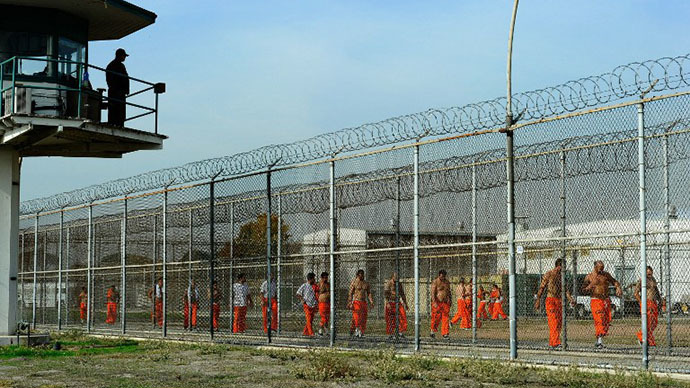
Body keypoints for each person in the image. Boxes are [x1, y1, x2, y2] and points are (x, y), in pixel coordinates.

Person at [534, 259, 575, 349]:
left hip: (559, 300)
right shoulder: (549, 274)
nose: (565, 268)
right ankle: (556, 343)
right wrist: (538, 300)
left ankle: (553, 343)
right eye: (563, 266)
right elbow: (542, 287)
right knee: (554, 322)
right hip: (550, 300)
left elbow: (565, 289)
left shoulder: (562, 276)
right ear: (559, 266)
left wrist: (570, 299)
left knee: (559, 323)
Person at [581, 260, 622, 349]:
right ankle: (599, 341)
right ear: (595, 267)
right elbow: (583, 290)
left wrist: (618, 287)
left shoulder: (606, 275)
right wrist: (589, 287)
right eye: (600, 268)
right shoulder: (589, 277)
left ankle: (599, 339)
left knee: (606, 320)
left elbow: (614, 281)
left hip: (606, 300)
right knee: (599, 320)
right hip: (596, 300)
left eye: (602, 268)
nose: (601, 270)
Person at [635, 266, 663, 347]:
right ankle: (642, 338)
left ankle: (646, 339)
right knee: (648, 322)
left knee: (654, 322)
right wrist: (641, 303)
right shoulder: (642, 280)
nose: (649, 274)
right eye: (648, 273)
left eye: (651, 273)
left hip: (653, 302)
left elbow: (656, 290)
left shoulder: (653, 279)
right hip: (646, 302)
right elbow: (636, 293)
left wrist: (660, 300)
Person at [105, 48, 130, 126]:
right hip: (117, 92)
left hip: (116, 92)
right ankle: (117, 124)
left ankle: (115, 123)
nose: (124, 57)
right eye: (124, 56)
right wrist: (125, 90)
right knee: (118, 112)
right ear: (120, 56)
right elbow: (124, 78)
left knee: (115, 112)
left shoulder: (111, 65)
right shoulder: (118, 66)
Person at [347, 269, 374, 338]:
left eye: (363, 274)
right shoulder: (354, 282)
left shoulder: (366, 283)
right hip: (356, 301)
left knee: (363, 317)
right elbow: (350, 293)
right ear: (358, 275)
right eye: (361, 275)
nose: (362, 276)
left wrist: (371, 301)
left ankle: (359, 330)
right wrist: (349, 302)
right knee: (357, 317)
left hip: (363, 301)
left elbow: (369, 293)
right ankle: (357, 330)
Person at [384, 272, 408, 337]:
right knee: (390, 318)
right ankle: (391, 333)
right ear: (392, 277)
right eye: (395, 277)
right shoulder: (389, 283)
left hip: (398, 302)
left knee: (403, 316)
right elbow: (386, 294)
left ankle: (400, 332)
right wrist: (387, 303)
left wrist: (405, 303)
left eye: (397, 277)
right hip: (391, 302)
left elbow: (402, 294)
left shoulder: (399, 284)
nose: (396, 278)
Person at [430, 269, 451, 339]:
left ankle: (445, 333)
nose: (442, 278)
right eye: (441, 277)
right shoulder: (435, 282)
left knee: (446, 318)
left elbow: (449, 292)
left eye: (444, 276)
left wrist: (450, 300)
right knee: (436, 317)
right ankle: (432, 330)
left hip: (445, 302)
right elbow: (433, 293)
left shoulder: (447, 282)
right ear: (439, 275)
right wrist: (434, 302)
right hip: (437, 302)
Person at [296, 272, 318, 337]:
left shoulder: (315, 286)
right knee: (308, 319)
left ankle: (305, 332)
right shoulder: (304, 285)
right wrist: (302, 300)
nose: (314, 280)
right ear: (310, 279)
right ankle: (311, 333)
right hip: (307, 305)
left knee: (310, 320)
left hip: (313, 305)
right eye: (314, 279)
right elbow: (298, 293)